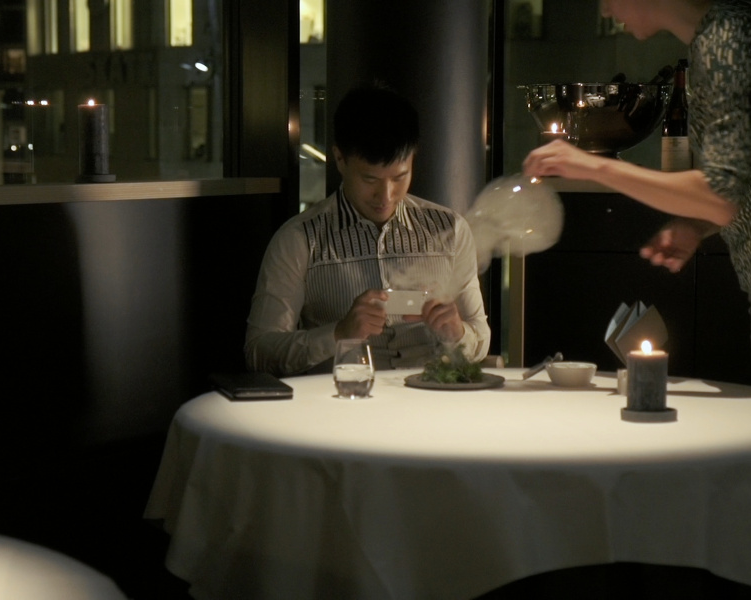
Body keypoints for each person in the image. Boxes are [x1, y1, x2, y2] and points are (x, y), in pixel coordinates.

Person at [245, 84, 490, 376]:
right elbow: (259, 352)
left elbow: (480, 339)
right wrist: (338, 333)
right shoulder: (299, 240)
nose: (385, 196)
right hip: (342, 398)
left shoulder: (450, 231)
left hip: (431, 395)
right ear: (339, 159)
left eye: (399, 177)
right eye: (369, 179)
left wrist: (457, 332)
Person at [523, 0, 751, 303]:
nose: (605, 11)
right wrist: (696, 224)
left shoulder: (724, 41)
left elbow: (722, 196)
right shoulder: (718, 37)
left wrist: (593, 166)